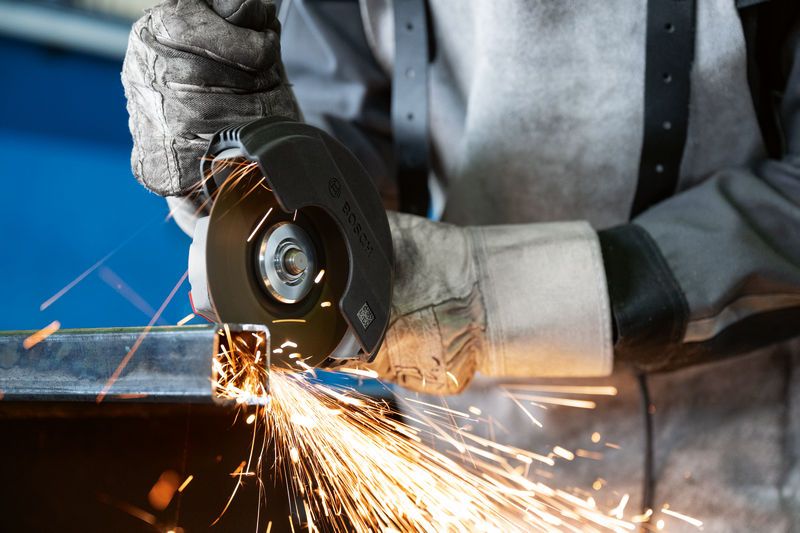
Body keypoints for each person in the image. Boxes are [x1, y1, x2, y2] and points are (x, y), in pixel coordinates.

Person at [122, 0, 800, 529]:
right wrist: (243, 158)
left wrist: (487, 297)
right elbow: (342, 166)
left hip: (746, 467)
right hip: (477, 469)